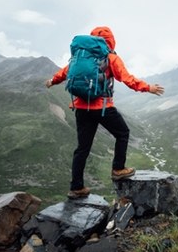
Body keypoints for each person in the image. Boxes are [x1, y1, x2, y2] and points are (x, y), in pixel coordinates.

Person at [46, 26, 164, 199]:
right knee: (123, 133)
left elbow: (65, 73)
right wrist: (148, 88)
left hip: (81, 108)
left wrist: (51, 81)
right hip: (102, 108)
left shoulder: (81, 56)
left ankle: (76, 187)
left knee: (82, 148)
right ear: (111, 40)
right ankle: (118, 169)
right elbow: (127, 78)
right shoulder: (111, 57)